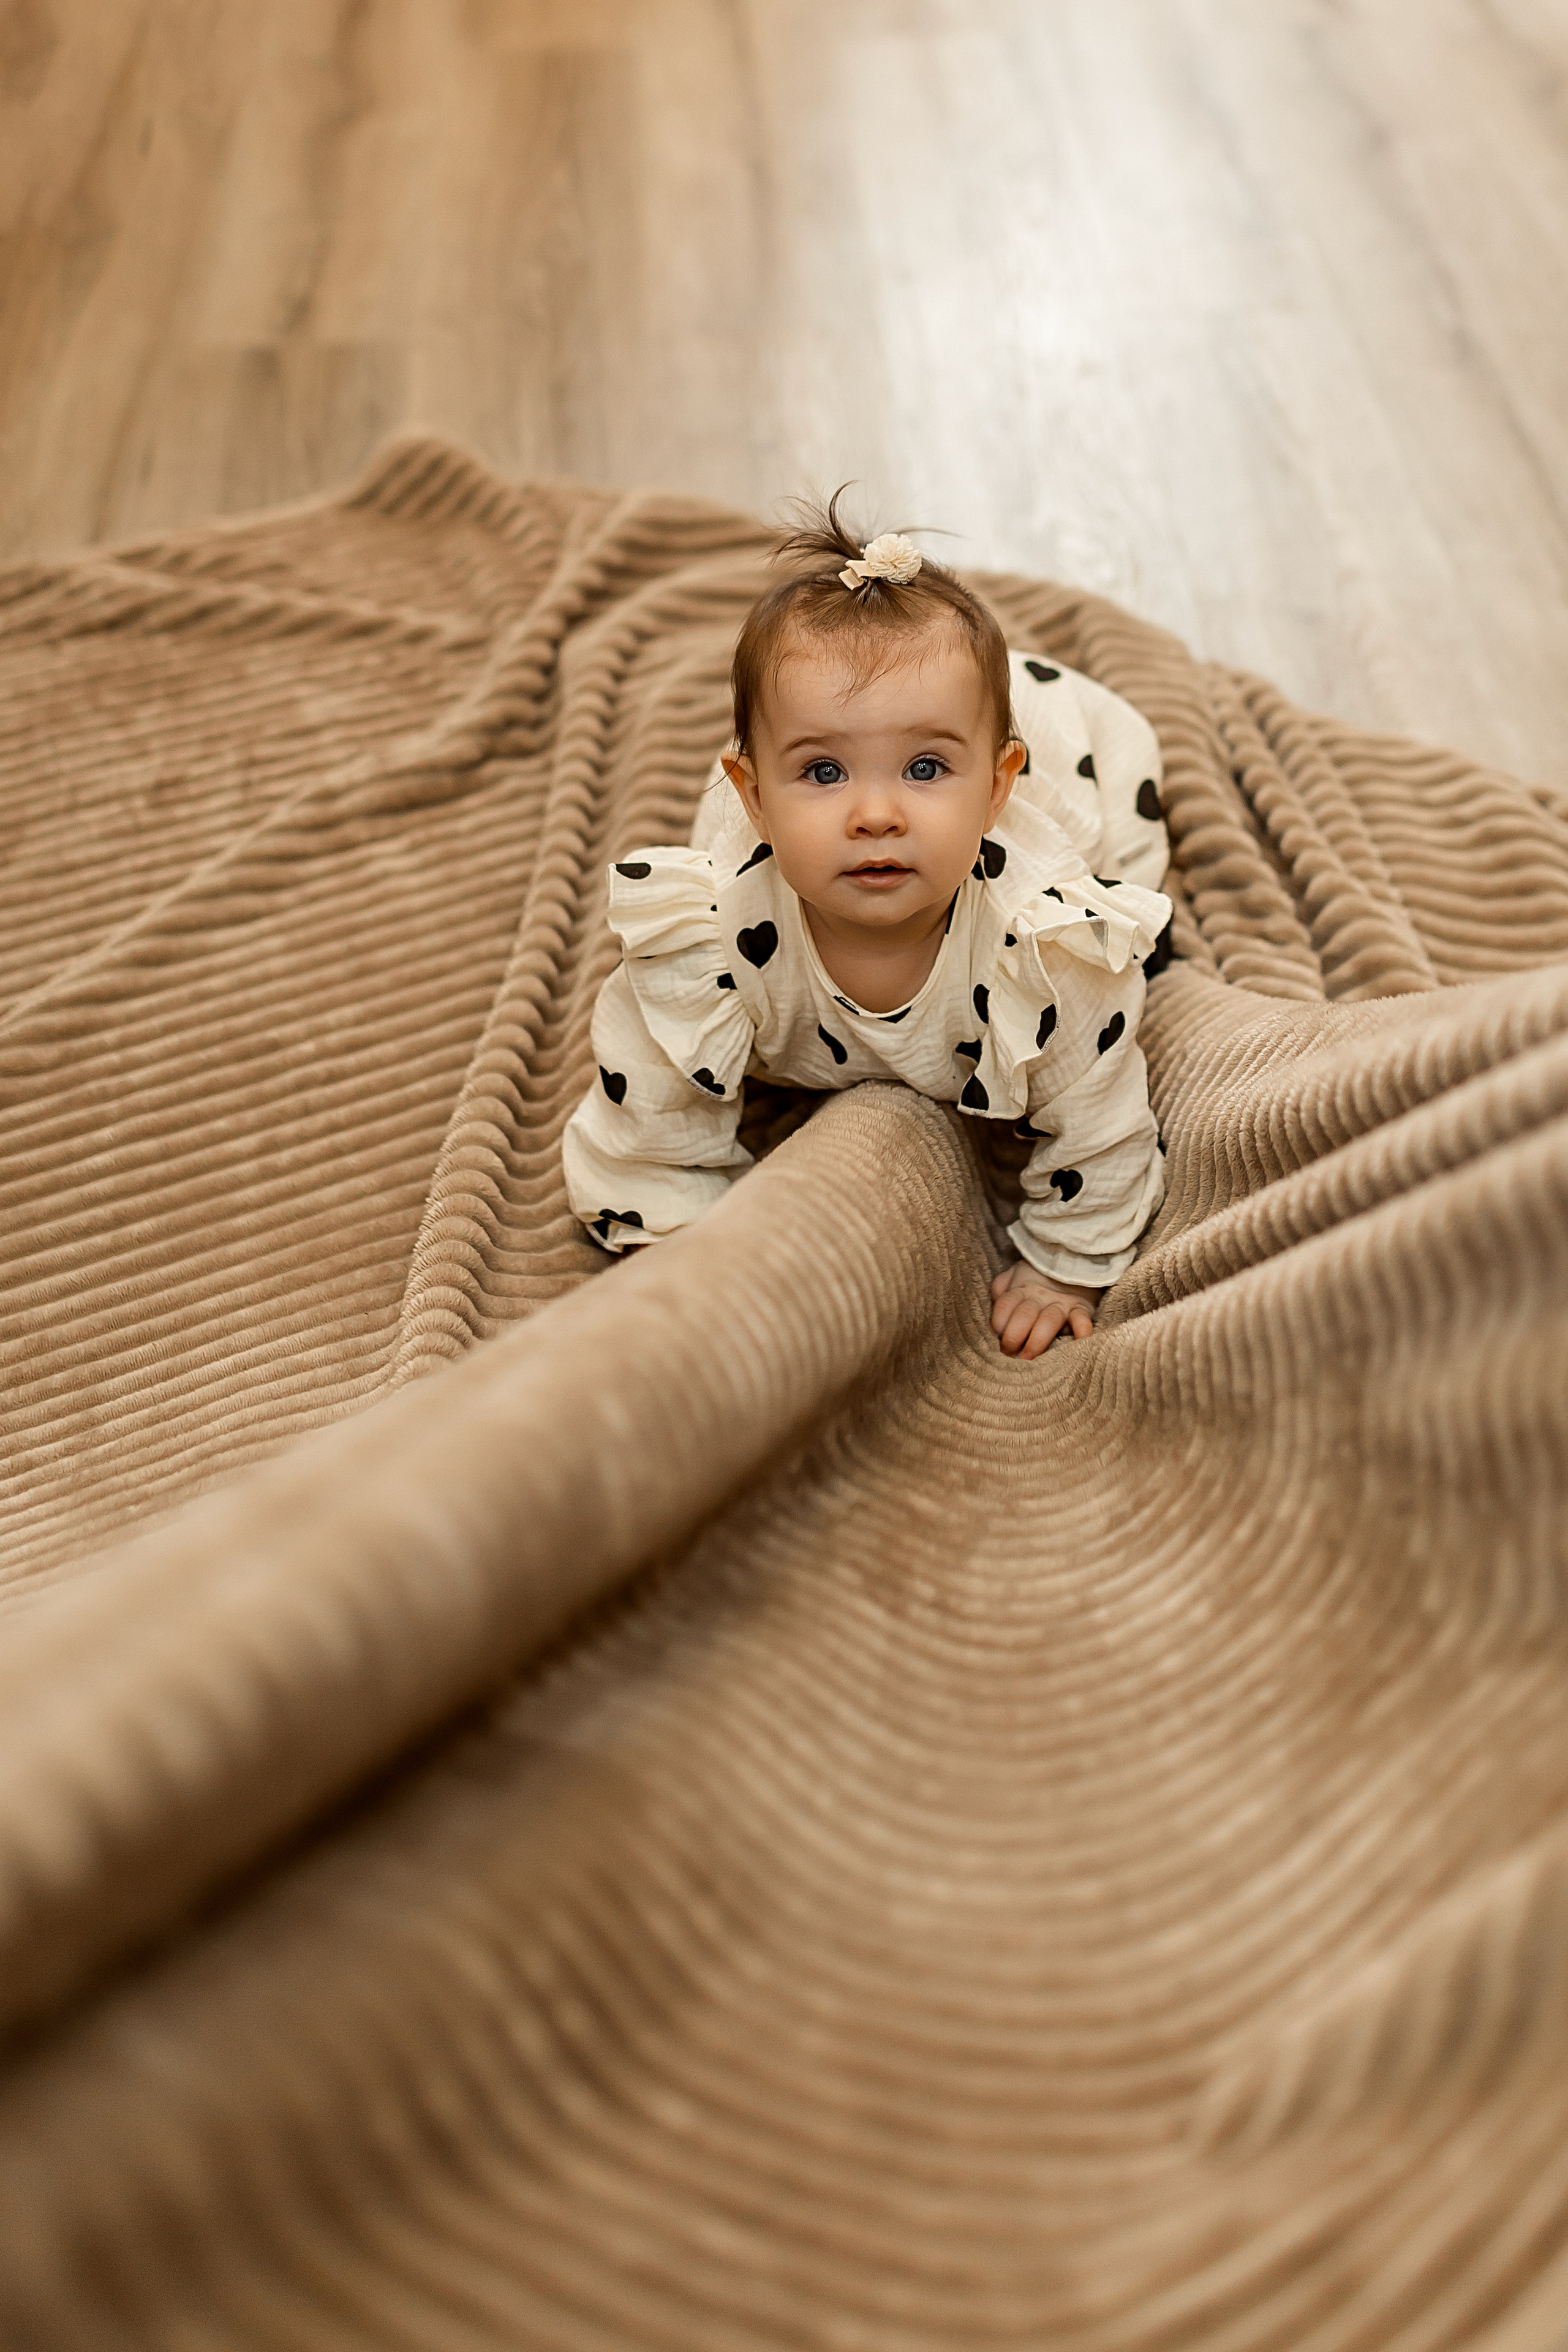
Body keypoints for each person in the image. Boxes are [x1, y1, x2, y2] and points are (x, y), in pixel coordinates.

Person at [563, 494, 1173, 1359]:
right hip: (798, 835)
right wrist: (672, 1240)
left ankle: (967, 747)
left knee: (1130, 907)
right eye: (822, 772)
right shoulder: (716, 945)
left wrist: (1067, 1266)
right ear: (754, 796)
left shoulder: (1042, 952)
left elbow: (1102, 1122)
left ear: (998, 789)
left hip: (1073, 750)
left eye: (925, 769)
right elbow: (646, 1106)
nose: (877, 814)